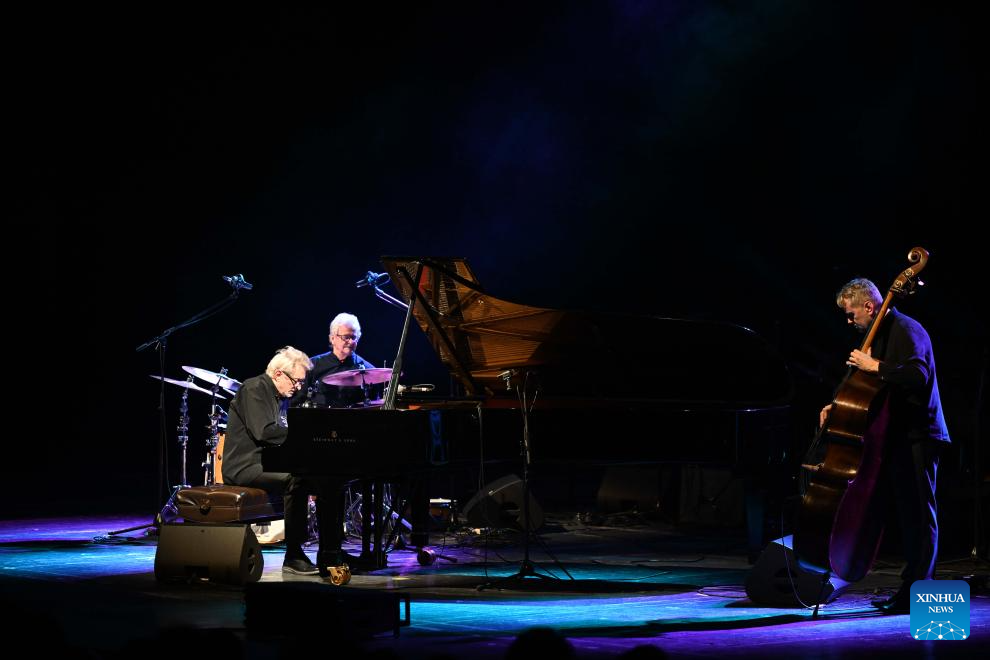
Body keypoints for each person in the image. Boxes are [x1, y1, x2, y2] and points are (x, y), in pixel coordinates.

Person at [818, 278, 950, 614]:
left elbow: (918, 375)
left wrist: (875, 365)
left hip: (920, 434)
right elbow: (869, 387)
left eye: (851, 314)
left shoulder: (907, 329)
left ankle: (918, 595)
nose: (850, 321)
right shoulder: (878, 334)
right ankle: (909, 592)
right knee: (908, 517)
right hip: (896, 434)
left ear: (869, 306)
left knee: (921, 517)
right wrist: (838, 405)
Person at [221, 346, 347, 576]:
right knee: (295, 479)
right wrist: (304, 435)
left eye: (301, 382)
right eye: (296, 381)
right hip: (244, 466)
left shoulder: (278, 395)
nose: (298, 387)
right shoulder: (254, 388)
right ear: (278, 373)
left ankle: (331, 551)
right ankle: (294, 554)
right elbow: (265, 432)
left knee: (328, 479)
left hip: (267, 462)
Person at [292, 312, 380, 408]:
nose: (351, 342)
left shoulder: (368, 370)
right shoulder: (312, 365)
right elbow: (296, 401)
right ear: (332, 338)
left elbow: (374, 405)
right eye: (346, 337)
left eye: (354, 337)